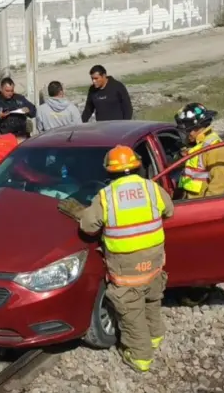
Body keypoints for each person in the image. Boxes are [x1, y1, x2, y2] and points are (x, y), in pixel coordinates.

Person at [79, 145, 174, 373]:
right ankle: (155, 337)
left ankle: (141, 357)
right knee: (152, 299)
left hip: (126, 266)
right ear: (136, 166)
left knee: (131, 311)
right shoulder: (151, 188)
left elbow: (88, 226)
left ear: (109, 172)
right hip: (153, 261)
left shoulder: (106, 196)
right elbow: (169, 211)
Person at [175, 102, 224, 200]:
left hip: (199, 205)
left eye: (186, 131)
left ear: (196, 128)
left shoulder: (215, 148)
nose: (185, 135)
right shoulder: (196, 145)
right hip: (188, 201)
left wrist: (205, 208)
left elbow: (218, 187)